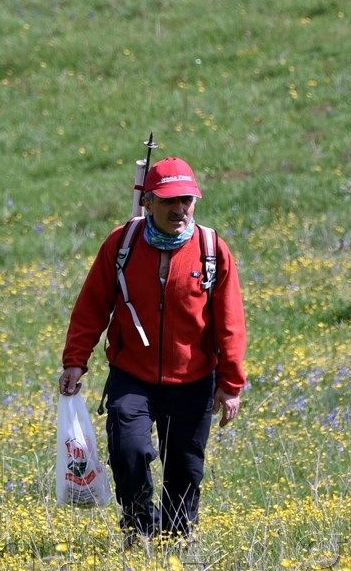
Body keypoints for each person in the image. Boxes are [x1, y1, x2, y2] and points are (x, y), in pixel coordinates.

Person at [59, 156, 247, 544]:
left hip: (193, 379)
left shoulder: (212, 250)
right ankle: (139, 529)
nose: (179, 209)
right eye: (169, 200)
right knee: (129, 452)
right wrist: (75, 361)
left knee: (185, 468)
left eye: (187, 200)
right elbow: (92, 305)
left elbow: (230, 323)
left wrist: (230, 384)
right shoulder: (121, 244)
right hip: (133, 376)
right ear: (148, 203)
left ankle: (178, 538)